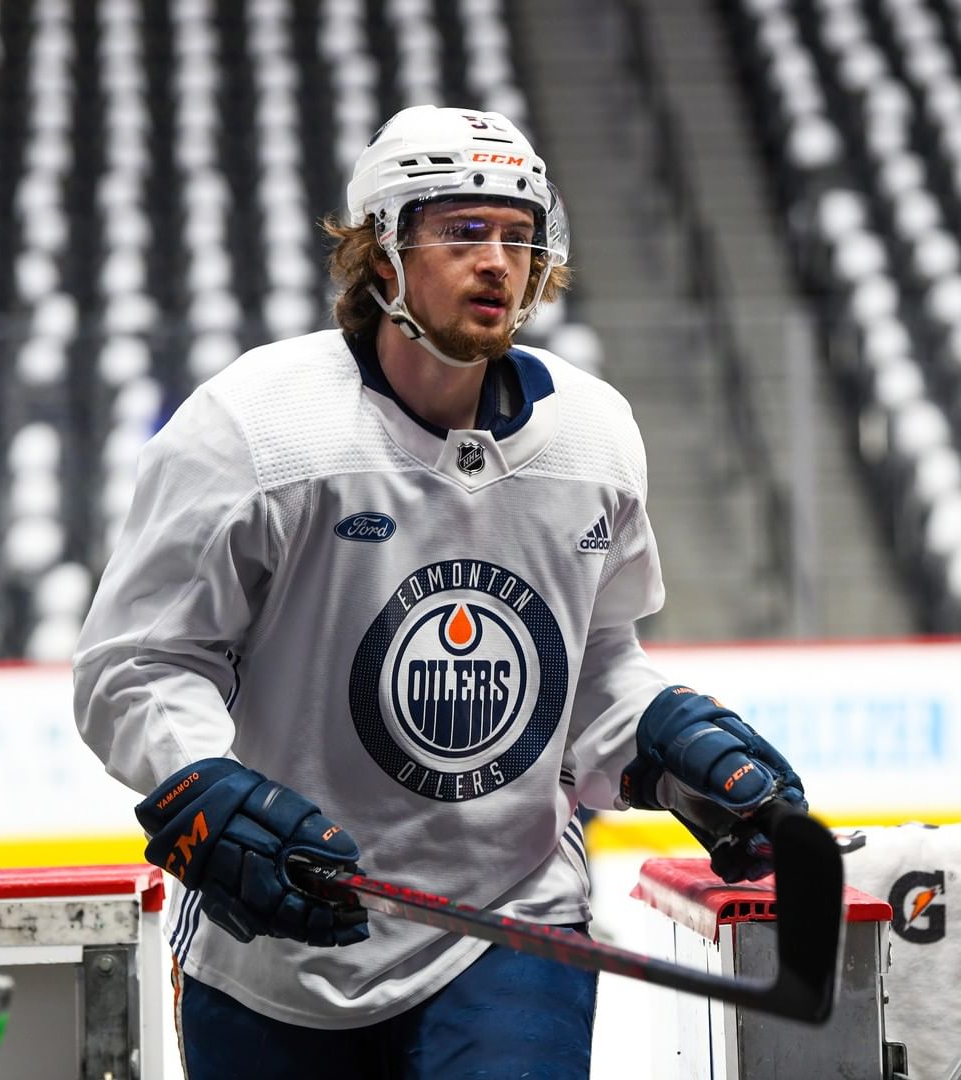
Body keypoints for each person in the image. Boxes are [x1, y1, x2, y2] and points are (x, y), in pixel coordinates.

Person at [73, 105, 807, 1079]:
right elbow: (137, 662)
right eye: (462, 231)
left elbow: (589, 670)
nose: (499, 261)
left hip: (508, 922)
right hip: (275, 943)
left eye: (518, 234)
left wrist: (668, 743)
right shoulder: (258, 429)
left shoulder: (594, 438)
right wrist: (204, 779)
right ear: (380, 252)